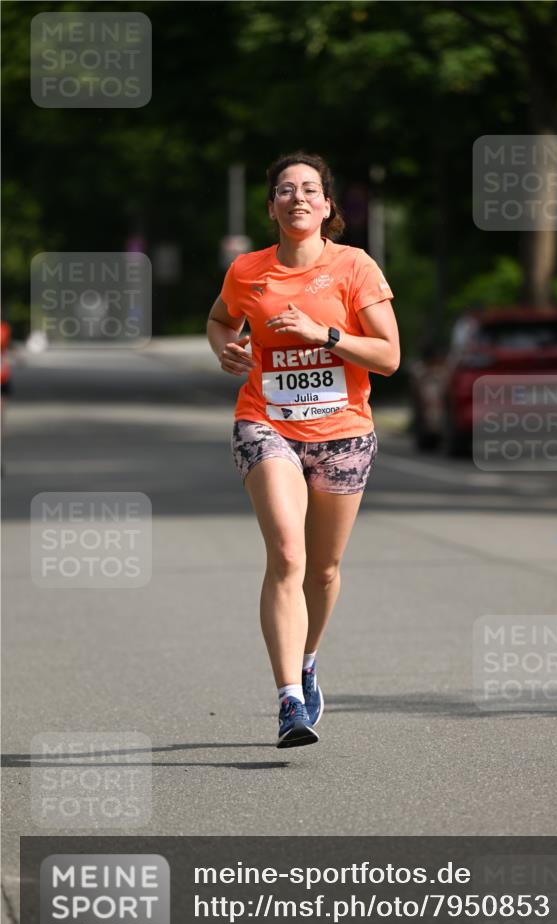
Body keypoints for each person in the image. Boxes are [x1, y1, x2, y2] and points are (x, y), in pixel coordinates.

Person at [207, 151, 400, 749]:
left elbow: (389, 357)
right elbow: (220, 320)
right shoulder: (248, 271)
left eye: (309, 189)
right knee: (288, 554)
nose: (297, 198)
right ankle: (289, 697)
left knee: (322, 569)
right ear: (271, 207)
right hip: (266, 422)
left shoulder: (354, 268)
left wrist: (326, 336)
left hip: (343, 431)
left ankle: (309, 659)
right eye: (285, 190)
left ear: (326, 207)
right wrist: (227, 349)